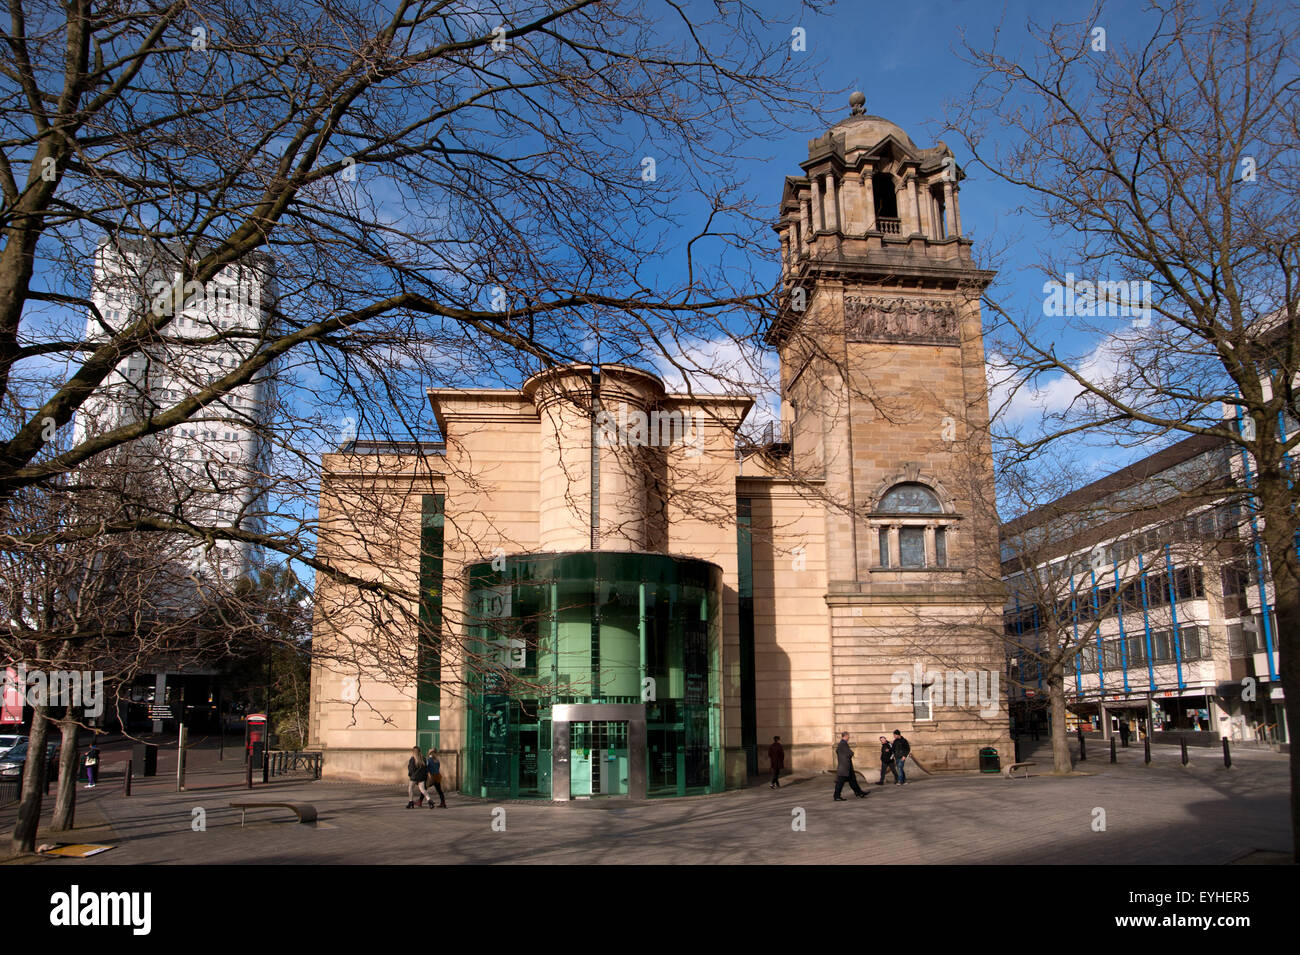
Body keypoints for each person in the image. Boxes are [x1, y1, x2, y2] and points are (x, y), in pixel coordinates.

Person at [833, 732, 868, 800]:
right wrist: (851, 753)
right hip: (844, 766)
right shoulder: (843, 743)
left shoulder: (841, 744)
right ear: (845, 736)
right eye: (848, 736)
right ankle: (836, 796)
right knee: (840, 782)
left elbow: (837, 751)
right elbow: (850, 753)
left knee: (853, 780)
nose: (849, 738)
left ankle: (859, 792)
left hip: (846, 766)